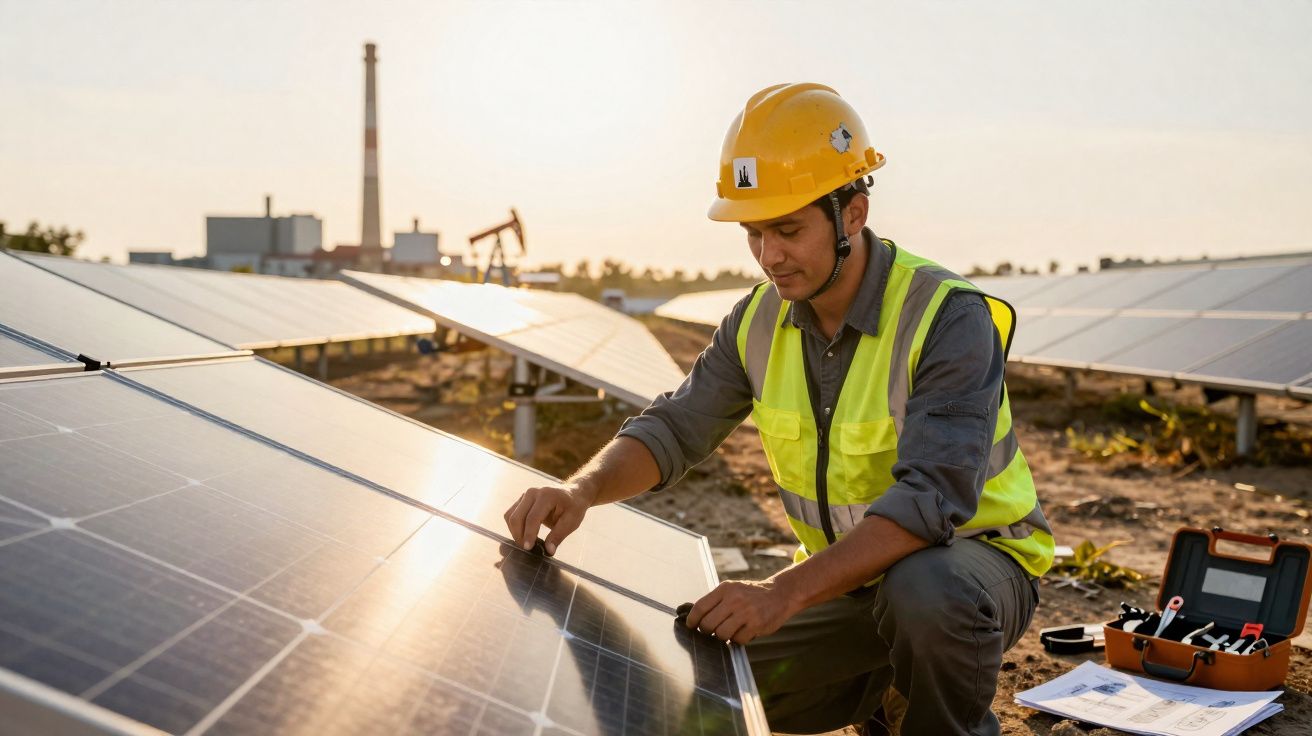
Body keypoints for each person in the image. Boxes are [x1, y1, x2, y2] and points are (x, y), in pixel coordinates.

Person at [504, 83, 1054, 735]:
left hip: (970, 568)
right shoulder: (757, 322)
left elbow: (931, 502)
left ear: (853, 212)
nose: (770, 257)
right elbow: (677, 426)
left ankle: (939, 717)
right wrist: (583, 488)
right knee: (704, 692)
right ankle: (883, 690)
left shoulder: (946, 317)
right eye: (754, 234)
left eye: (789, 230)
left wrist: (782, 594)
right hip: (847, 584)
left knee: (926, 595)